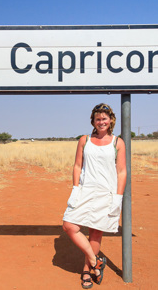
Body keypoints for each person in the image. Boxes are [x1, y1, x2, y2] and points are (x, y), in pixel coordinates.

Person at [62, 103, 127, 289]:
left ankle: (87, 271)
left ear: (111, 120)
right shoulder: (84, 140)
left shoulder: (117, 142)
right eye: (98, 119)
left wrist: (118, 197)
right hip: (84, 190)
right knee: (69, 226)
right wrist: (75, 189)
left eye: (104, 118)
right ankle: (95, 260)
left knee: (95, 234)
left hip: (106, 193)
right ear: (93, 121)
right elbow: (77, 166)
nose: (101, 122)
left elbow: (122, 172)